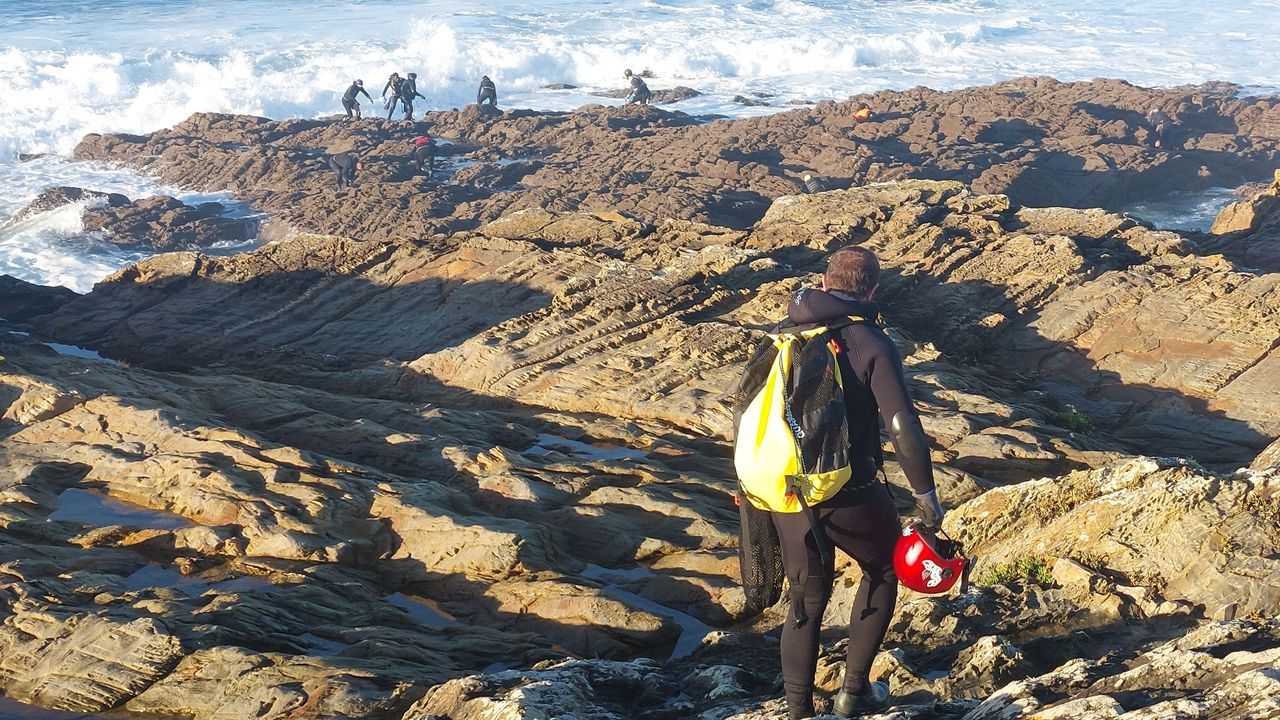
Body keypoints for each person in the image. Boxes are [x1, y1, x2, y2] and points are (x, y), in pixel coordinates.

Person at [772, 246, 944, 720]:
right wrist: (926, 497)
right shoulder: (870, 340)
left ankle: (798, 711)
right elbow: (902, 425)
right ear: (872, 291)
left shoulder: (787, 332)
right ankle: (851, 694)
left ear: (825, 284)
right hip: (850, 486)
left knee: (805, 597)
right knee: (884, 570)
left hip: (788, 489)